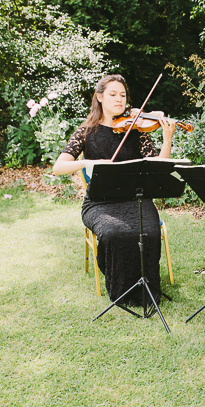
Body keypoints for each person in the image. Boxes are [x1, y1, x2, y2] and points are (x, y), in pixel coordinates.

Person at [53, 74, 177, 305]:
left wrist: (167, 138)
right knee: (113, 233)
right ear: (99, 97)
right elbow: (58, 167)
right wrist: (88, 162)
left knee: (149, 233)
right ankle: (121, 289)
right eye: (112, 94)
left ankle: (146, 288)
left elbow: (160, 167)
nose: (119, 100)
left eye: (122, 95)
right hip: (100, 202)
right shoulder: (86, 131)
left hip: (136, 199)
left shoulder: (137, 129)